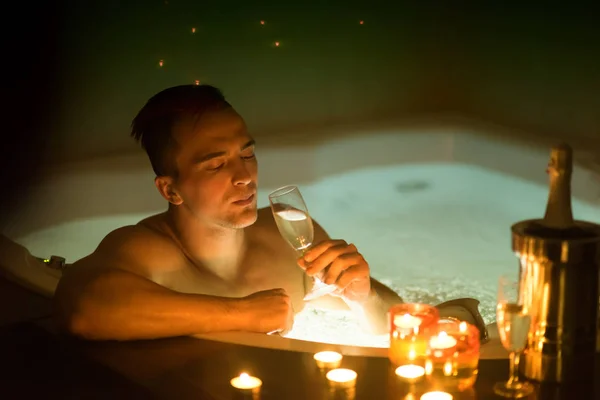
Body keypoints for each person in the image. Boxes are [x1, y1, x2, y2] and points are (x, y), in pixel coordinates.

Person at [53, 84, 488, 342]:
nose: (245, 177)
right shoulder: (149, 250)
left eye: (247, 154)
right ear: (171, 189)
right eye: (216, 164)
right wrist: (244, 314)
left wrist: (363, 296)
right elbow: (83, 307)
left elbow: (388, 325)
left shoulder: (288, 232)